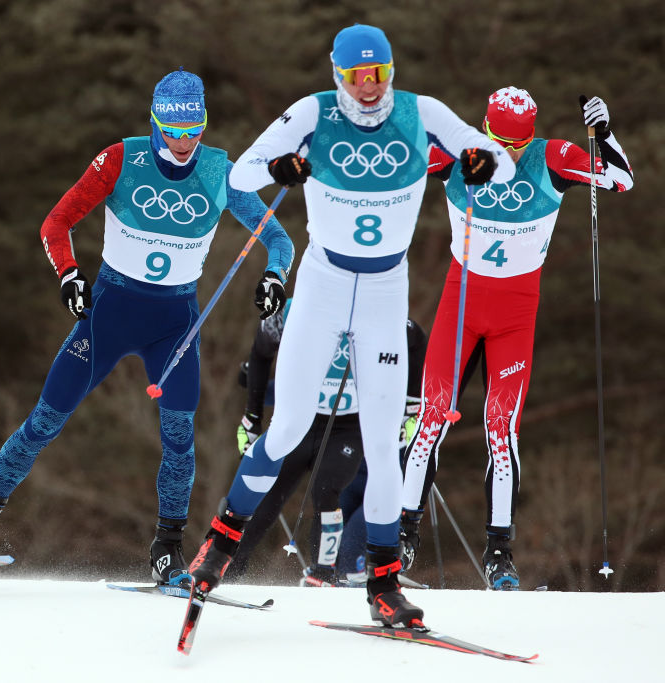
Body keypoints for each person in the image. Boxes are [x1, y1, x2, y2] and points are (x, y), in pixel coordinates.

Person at [185, 23, 516, 628]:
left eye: (379, 76)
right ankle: (218, 549)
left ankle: (384, 585)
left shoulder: (424, 113)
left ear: (391, 73)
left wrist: (479, 160)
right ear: (338, 76)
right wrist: (281, 166)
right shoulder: (312, 112)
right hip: (324, 283)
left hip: (386, 290)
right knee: (285, 429)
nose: (368, 89)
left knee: (387, 443)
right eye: (356, 77)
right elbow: (238, 175)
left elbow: (500, 162)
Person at [0, 69, 295, 586]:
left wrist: (276, 278)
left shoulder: (222, 173)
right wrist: (69, 276)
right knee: (44, 422)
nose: (185, 142)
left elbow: (281, 242)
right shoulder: (120, 159)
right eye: (174, 130)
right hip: (108, 316)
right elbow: (56, 223)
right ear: (155, 123)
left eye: (195, 129)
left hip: (176, 326)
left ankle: (167, 547)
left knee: (179, 439)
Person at [399, 87, 634, 589]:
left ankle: (499, 554)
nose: (507, 153)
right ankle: (401, 536)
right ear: (484, 129)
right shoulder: (460, 152)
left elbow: (620, 180)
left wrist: (605, 135)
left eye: (517, 144)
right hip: (459, 308)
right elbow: (394, 166)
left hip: (515, 316)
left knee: (501, 429)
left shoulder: (551, 158)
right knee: (431, 419)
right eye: (498, 141)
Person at [227, 308, 427, 588]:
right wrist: (252, 418)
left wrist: (411, 406)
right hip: (300, 420)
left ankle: (323, 574)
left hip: (347, 427)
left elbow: (417, 339)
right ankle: (227, 567)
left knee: (326, 489)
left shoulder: (372, 311)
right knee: (267, 494)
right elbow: (260, 354)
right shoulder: (293, 310)